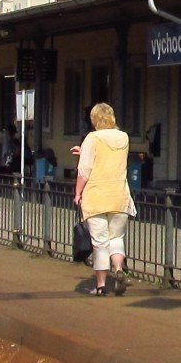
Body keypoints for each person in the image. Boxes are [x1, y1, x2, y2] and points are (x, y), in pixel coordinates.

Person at [72, 102, 135, 296]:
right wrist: (85, 151)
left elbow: (85, 170)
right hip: (119, 196)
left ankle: (100, 285)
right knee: (116, 238)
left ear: (94, 119)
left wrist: (78, 193)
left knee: (100, 243)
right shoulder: (123, 137)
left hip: (97, 197)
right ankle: (118, 268)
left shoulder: (92, 138)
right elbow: (109, 158)